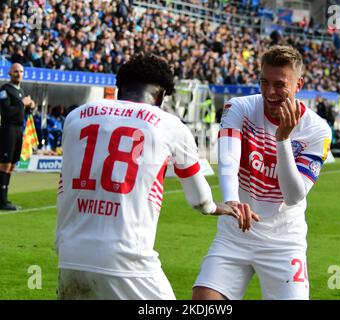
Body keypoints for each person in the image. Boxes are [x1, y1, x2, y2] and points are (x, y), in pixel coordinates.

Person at [55, 53, 254, 300]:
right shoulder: (169, 125)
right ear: (161, 96)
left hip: (70, 255)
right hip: (127, 260)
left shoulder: (76, 117)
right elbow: (199, 200)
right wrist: (217, 208)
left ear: (119, 88)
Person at [192, 46, 332, 300]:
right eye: (264, 82)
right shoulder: (240, 108)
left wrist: (282, 140)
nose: (269, 92)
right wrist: (232, 200)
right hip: (235, 233)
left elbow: (293, 196)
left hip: (284, 241)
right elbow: (228, 159)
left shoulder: (317, 130)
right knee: (204, 301)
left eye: (280, 85)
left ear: (298, 84)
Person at [0, 63, 35, 210]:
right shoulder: (4, 90)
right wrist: (22, 103)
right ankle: (1, 200)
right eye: (16, 71)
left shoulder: (21, 90)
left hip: (18, 130)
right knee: (5, 164)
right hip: (8, 129)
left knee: (12, 164)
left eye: (21, 71)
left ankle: (4, 198)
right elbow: (6, 111)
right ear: (9, 73)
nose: (19, 74)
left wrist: (31, 106)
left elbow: (23, 110)